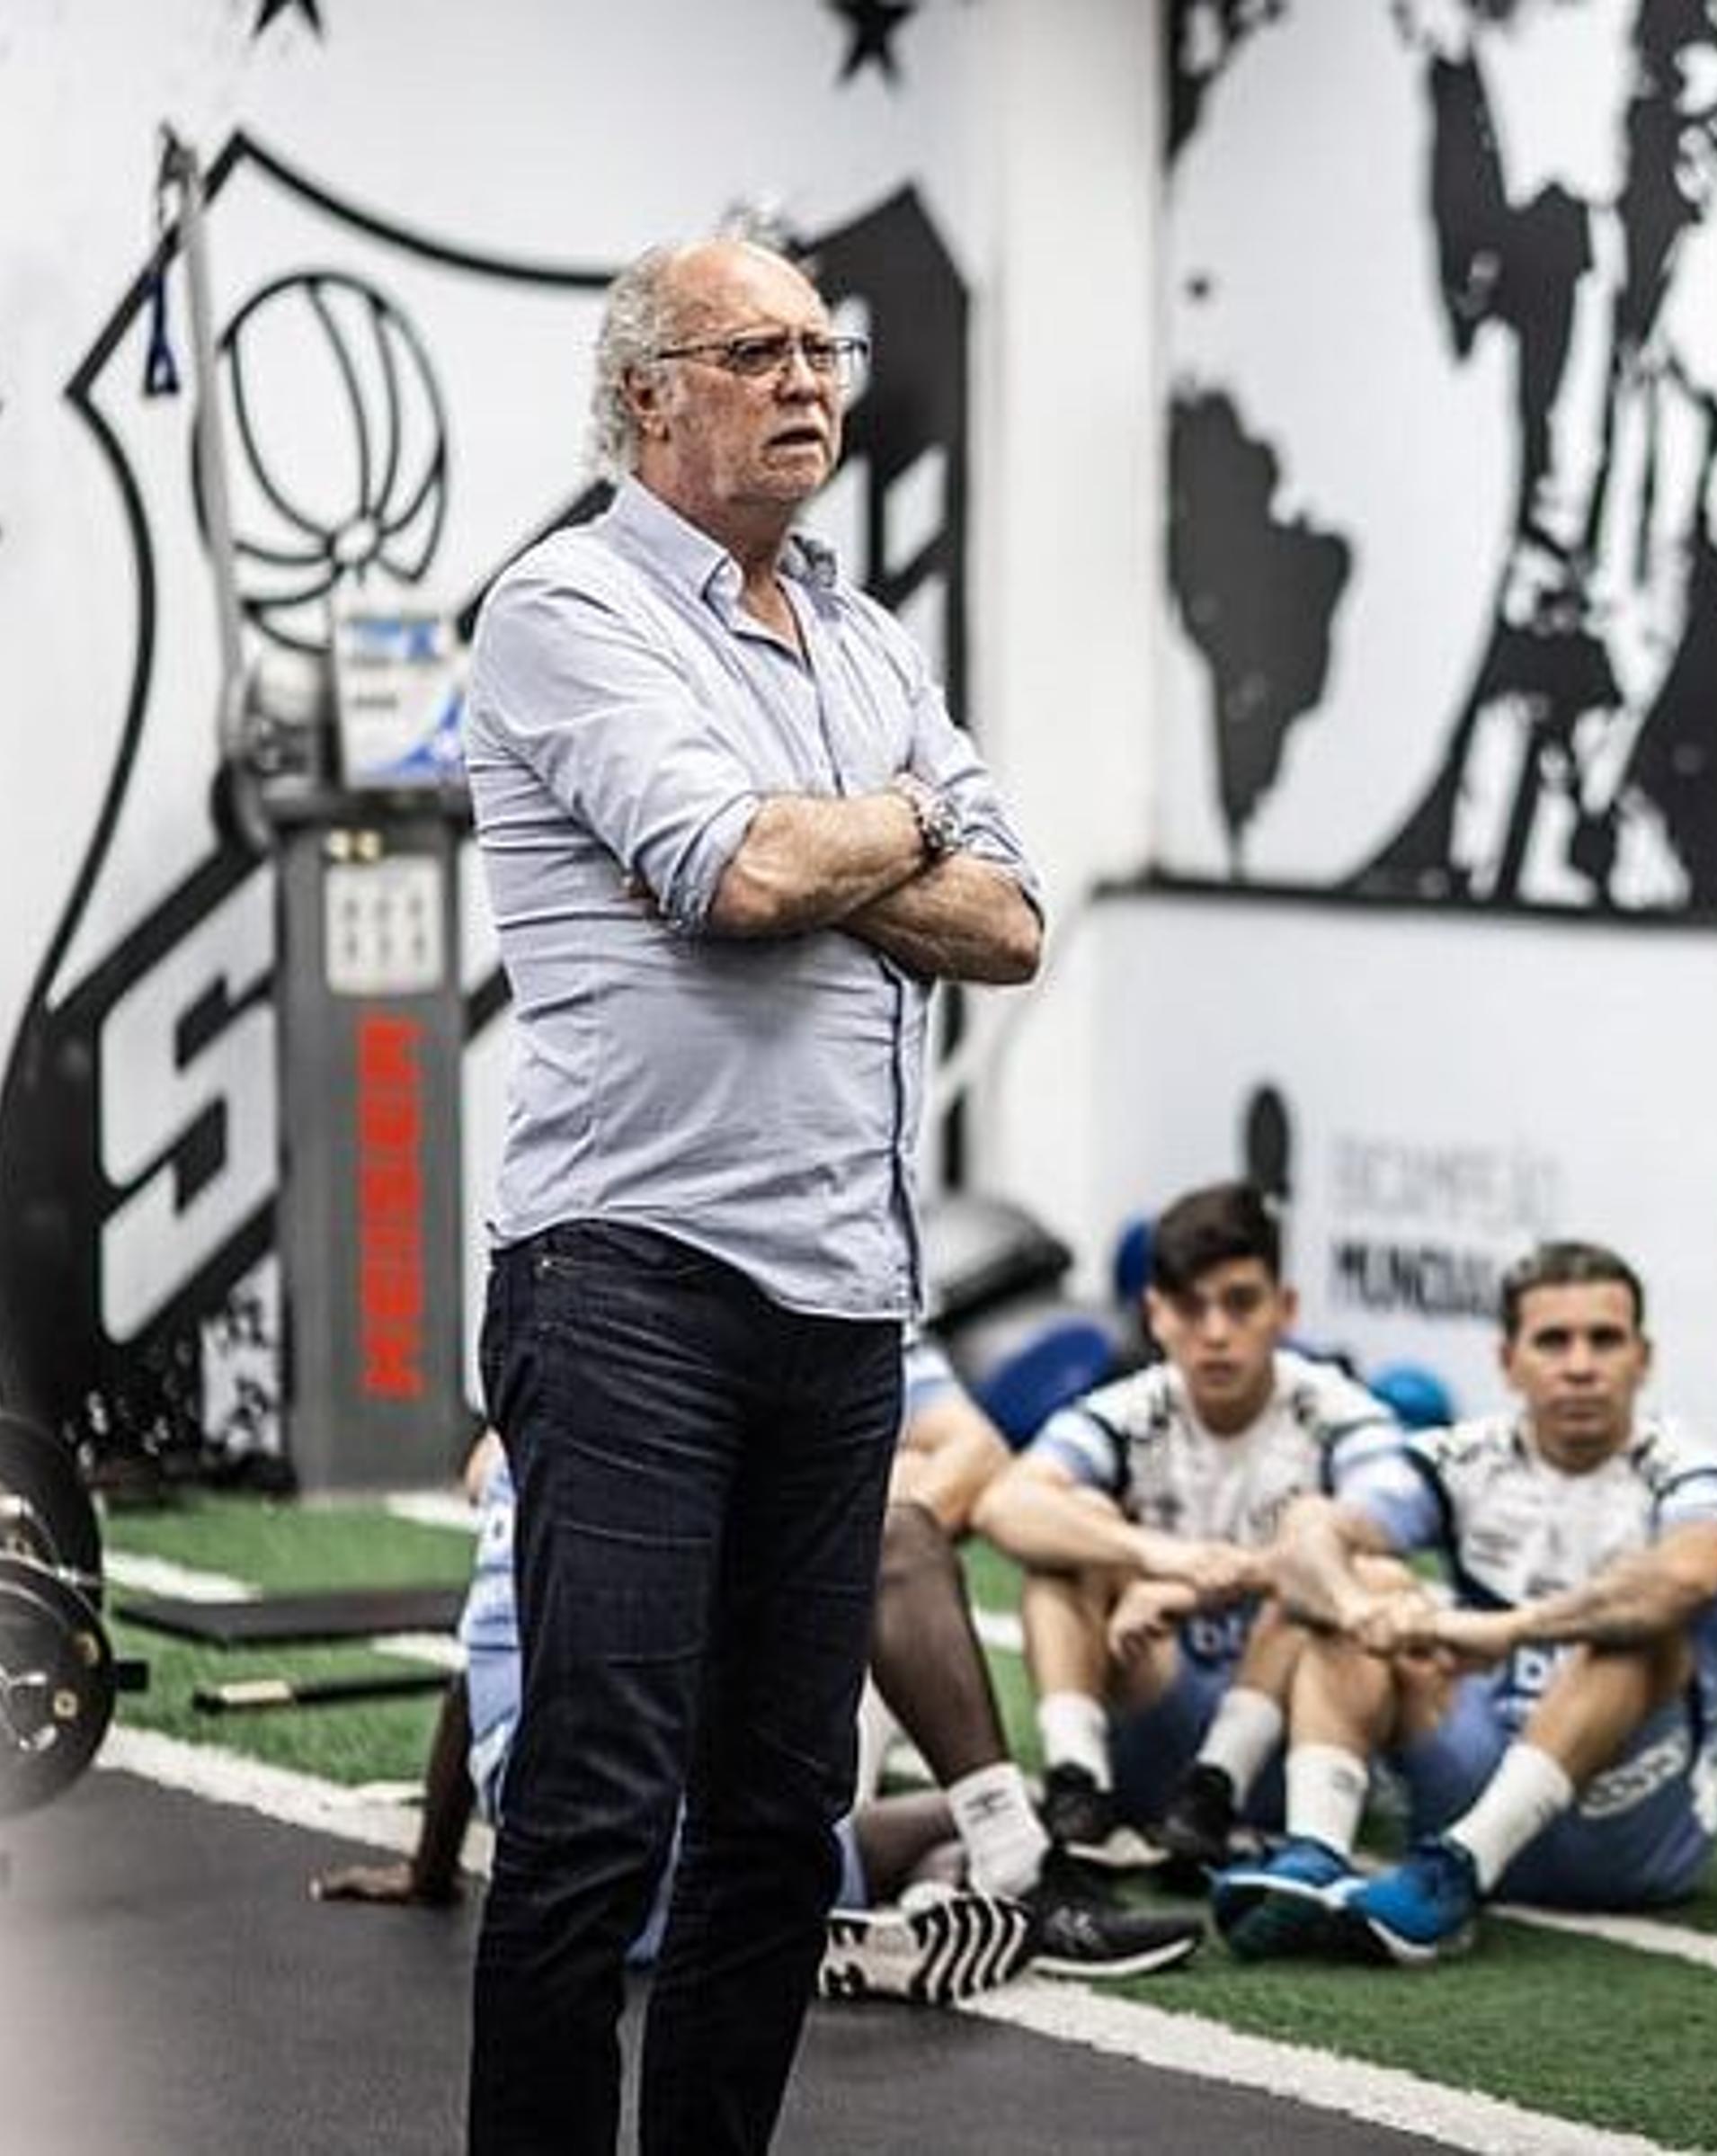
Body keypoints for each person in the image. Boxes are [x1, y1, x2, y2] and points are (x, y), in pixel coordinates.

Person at [464, 230, 1043, 2153]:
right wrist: (898, 825)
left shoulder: (868, 638)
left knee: (780, 1820)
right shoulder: (564, 609)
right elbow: (737, 876)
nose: (811, 380)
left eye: (825, 347)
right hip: (626, 1279)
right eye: (758, 350)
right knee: (596, 1805)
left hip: (837, 1302)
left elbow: (1012, 921)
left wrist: (835, 844)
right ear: (650, 394)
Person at [314, 1436, 1203, 1999]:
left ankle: (921, 1905)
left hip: (590, 1871)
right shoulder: (672, 1416)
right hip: (643, 1819)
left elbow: (477, 1682)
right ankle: (980, 1877)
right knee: (899, 1544)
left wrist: (429, 1871)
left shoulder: (548, 1433)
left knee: (976, 1813)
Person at [1207, 1241, 1717, 1964]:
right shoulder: (1462, 1457)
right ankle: (1316, 1858)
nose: (1581, 1365)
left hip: (1629, 1832)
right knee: (1360, 1584)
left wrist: (1511, 1630)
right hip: (1478, 1769)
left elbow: (1687, 1579)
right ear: (1508, 1361)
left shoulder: (1689, 1467)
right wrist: (1356, 1605)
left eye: (1605, 1340)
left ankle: (1458, 1871)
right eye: (1554, 1341)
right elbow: (1309, 1532)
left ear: (1642, 1358)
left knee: (1641, 1622)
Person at [968, 1182, 1398, 1879]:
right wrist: (1158, 1556)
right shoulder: (1131, 1408)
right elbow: (1003, 1507)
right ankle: (1079, 1788)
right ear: (1156, 1315)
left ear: (1284, 1310)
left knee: (1329, 1542)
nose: (1217, 1332)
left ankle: (1217, 1791)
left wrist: (1198, 1588)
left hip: (1289, 1740)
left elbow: (1391, 1522)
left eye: (1240, 1303)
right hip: (1156, 1713)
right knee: (1071, 1538)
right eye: (1192, 1308)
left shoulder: (1335, 1407)